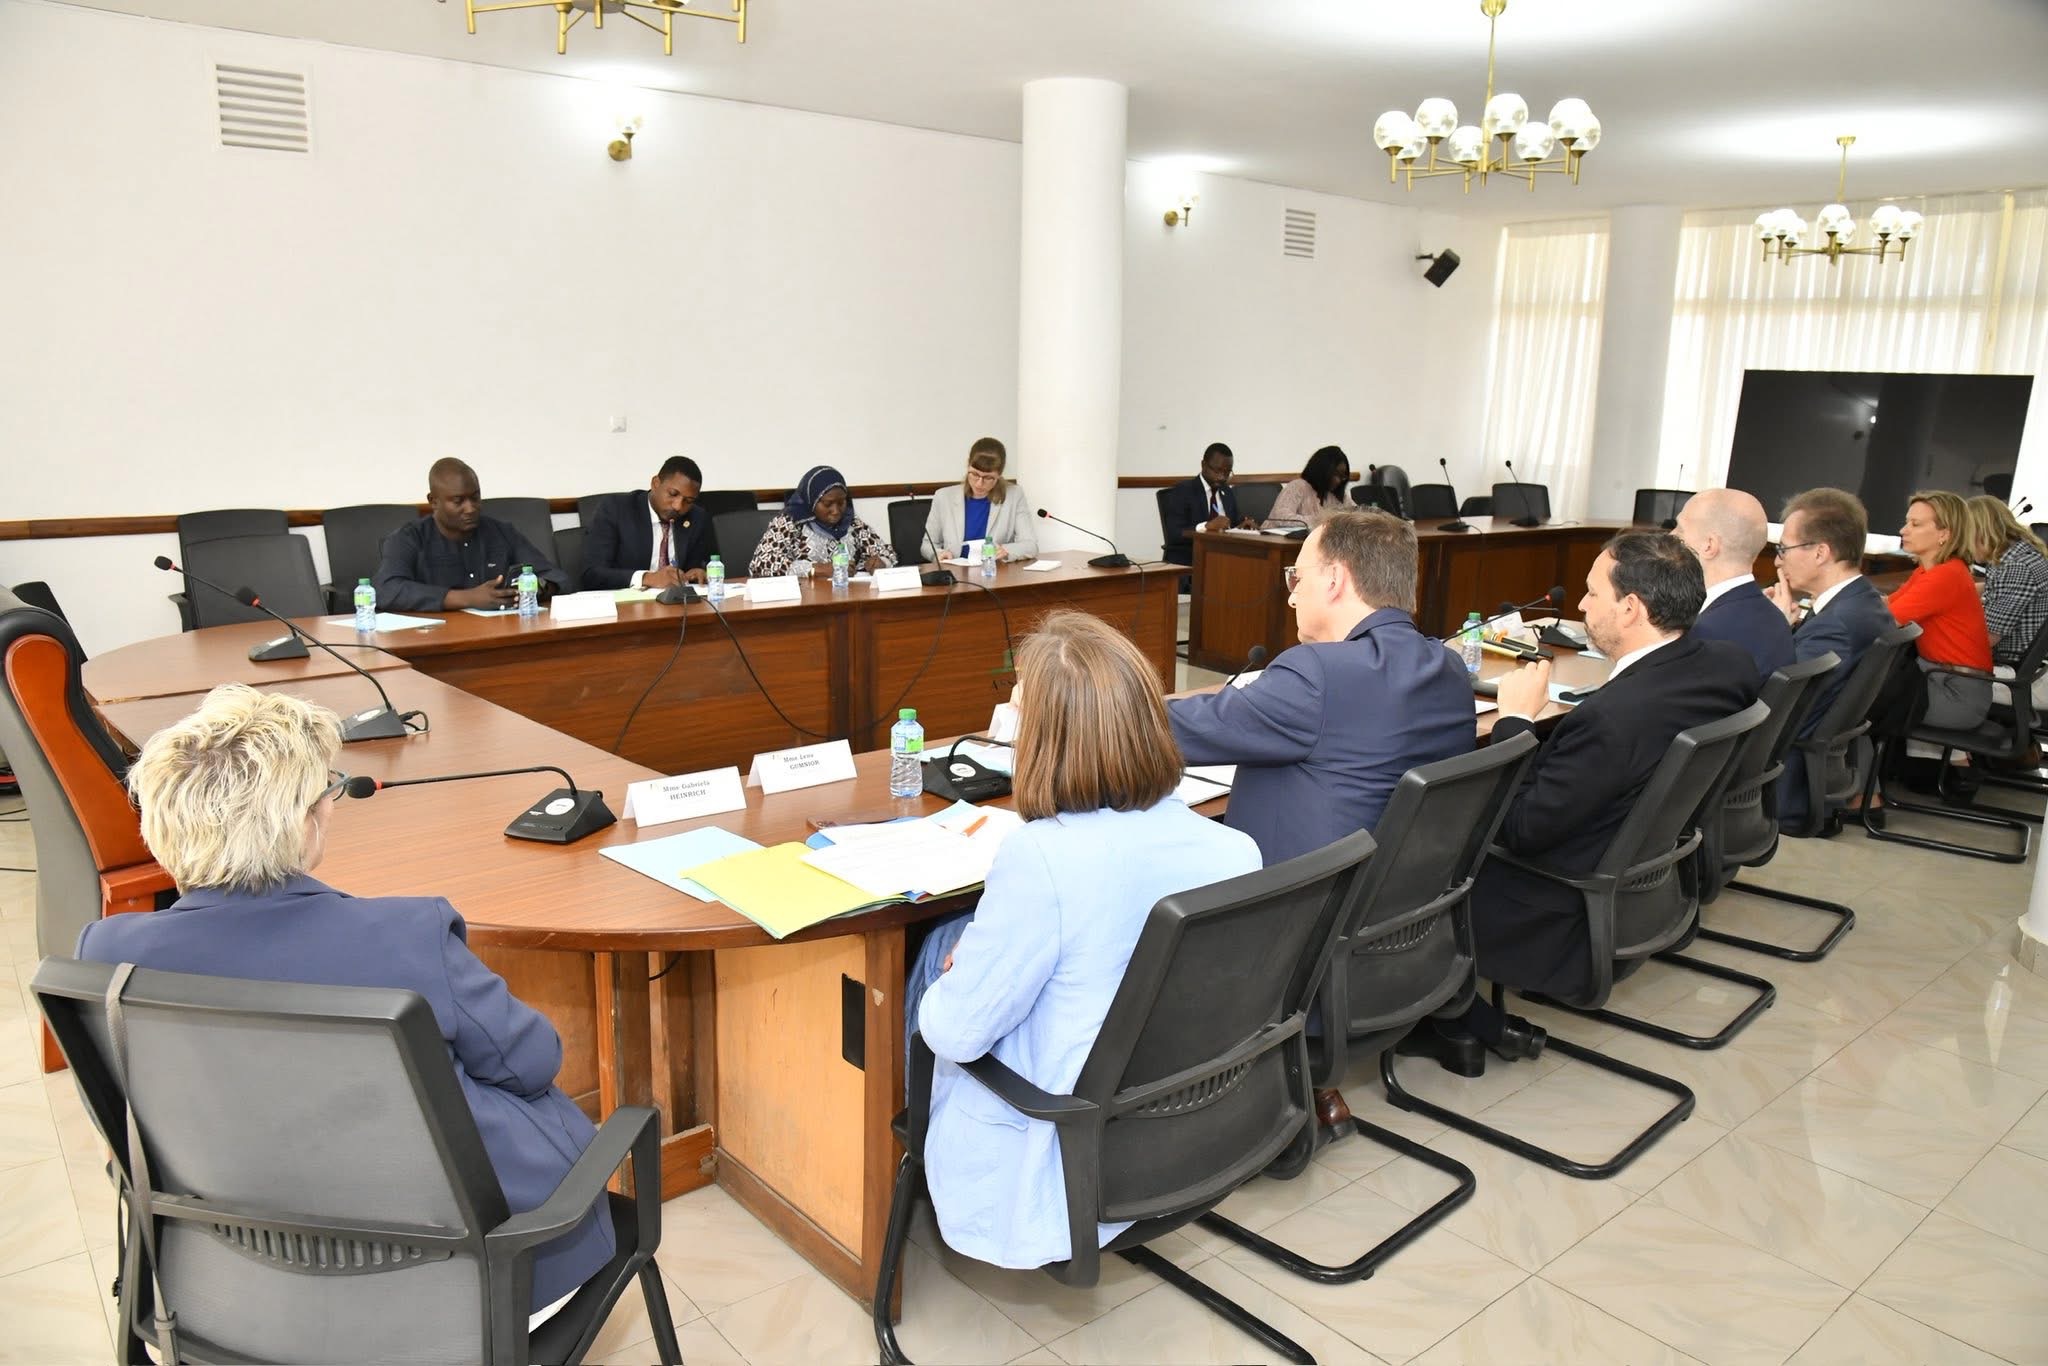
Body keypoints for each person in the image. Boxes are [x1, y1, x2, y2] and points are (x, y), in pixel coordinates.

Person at [73, 684, 613, 1315]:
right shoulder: (406, 938)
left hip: (237, 1282)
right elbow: (532, 1064)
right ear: (304, 819)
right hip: (468, 1283)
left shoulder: (106, 955)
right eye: (325, 794)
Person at [904, 611, 1261, 1268]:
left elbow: (954, 1035)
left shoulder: (1041, 860)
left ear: (1043, 743)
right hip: (1184, 1123)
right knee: (966, 941)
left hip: (1064, 1144)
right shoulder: (1236, 849)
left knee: (931, 953)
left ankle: (901, 1159)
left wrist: (955, 977)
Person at [1403, 532, 1759, 1071]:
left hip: (1556, 902)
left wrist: (1517, 724)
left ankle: (1452, 1014)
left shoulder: (1615, 719)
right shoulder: (1727, 665)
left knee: (1404, 854)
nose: (1582, 606)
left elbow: (1520, 829)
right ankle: (1465, 1017)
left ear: (1632, 608)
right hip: (1650, 880)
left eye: (1593, 594)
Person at [1167, 509, 1476, 865]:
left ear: (1334, 580)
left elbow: (1179, 728)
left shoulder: (1318, 673)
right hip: (1397, 898)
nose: (1292, 597)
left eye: (1296, 578)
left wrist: (1098, 701)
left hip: (1292, 904)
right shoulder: (1450, 665)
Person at [1763, 487, 1898, 829]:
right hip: (1821, 765)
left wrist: (1776, 630)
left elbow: (1775, 701)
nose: (1778, 561)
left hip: (1782, 778)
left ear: (1821, 552)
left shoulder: (1836, 624)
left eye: (1783, 549)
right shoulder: (1865, 601)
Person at [374, 457, 570, 611]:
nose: (470, 508)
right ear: (433, 501)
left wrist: (537, 587)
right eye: (458, 501)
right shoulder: (409, 538)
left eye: (475, 498)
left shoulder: (502, 532)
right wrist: (467, 598)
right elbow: (386, 590)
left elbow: (556, 577)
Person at [1889, 490, 1993, 730]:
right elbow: (1886, 606)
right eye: (1907, 522)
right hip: (1937, 679)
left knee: (1857, 698)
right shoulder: (1930, 571)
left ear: (1944, 534)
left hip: (1956, 694)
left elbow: (1884, 620)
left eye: (1915, 524)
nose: (1904, 530)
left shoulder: (1946, 576)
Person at [1675, 487, 1795, 679]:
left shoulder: (1704, 637)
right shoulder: (1776, 619)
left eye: (1680, 529)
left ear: (1709, 546)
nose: (1671, 536)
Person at [580, 455, 715, 590]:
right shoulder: (615, 509)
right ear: (655, 483)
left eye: (689, 501)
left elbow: (700, 564)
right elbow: (591, 574)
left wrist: (697, 572)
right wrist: (648, 578)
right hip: (628, 605)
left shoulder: (697, 517)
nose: (678, 506)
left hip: (678, 606)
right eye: (673, 494)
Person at [750, 465, 897, 577]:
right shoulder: (790, 521)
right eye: (827, 504)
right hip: (804, 603)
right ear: (812, 501)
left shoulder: (851, 521)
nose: (836, 511)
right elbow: (761, 564)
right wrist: (817, 569)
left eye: (841, 503)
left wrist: (881, 561)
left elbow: (885, 551)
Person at [1965, 494, 2048, 671]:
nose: (1964, 545)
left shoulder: (2017, 567)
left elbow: (1985, 638)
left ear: (1982, 532)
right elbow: (1994, 588)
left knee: (1917, 659)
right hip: (2013, 657)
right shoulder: (2016, 553)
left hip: (2007, 663)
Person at [922, 437, 1039, 563]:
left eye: (988, 478)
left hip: (995, 573)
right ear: (968, 465)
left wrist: (1005, 551)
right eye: (974, 474)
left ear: (999, 475)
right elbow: (927, 545)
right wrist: (939, 554)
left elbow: (1030, 545)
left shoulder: (1014, 495)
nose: (979, 483)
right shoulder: (943, 497)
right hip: (956, 575)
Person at [1160, 442, 1253, 566]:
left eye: (1227, 472)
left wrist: (1243, 527)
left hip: (1225, 559)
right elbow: (1174, 534)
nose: (1222, 477)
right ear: (1203, 465)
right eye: (1218, 471)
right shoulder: (1183, 491)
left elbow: (1232, 524)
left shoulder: (1227, 491)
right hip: (1192, 560)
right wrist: (1207, 526)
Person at [1263, 445, 1351, 530]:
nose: (1338, 481)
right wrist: (1323, 519)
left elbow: (1356, 514)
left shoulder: (1337, 494)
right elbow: (1281, 518)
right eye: (1335, 474)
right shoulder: (1298, 486)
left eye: (1342, 476)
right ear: (1321, 470)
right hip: (1274, 540)